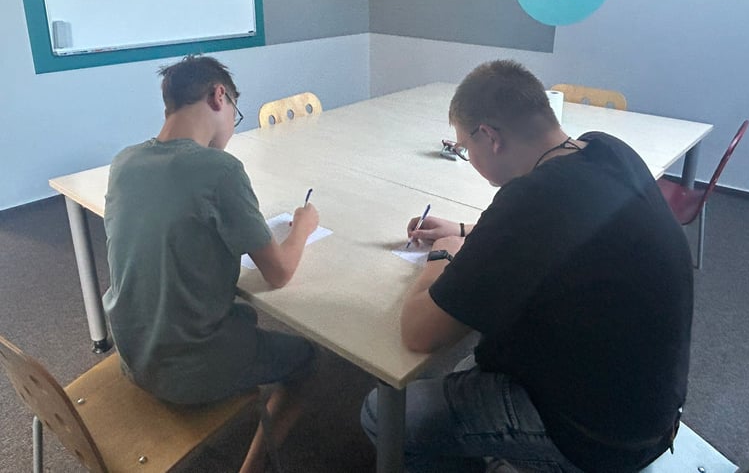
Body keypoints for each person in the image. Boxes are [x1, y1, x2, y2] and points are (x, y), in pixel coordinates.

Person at [361, 60, 693, 473]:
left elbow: (418, 331)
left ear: (490, 137)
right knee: (468, 365)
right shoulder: (606, 150)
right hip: (652, 410)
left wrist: (443, 253)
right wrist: (466, 228)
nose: (468, 157)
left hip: (597, 438)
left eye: (465, 148)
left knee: (384, 412)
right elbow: (560, 224)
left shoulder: (529, 201)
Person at [103, 55, 319, 473]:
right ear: (219, 96)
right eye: (235, 114)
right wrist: (303, 227)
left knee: (242, 318)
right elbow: (279, 272)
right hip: (189, 368)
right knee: (308, 358)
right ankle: (253, 466)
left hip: (133, 352)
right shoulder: (220, 170)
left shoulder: (124, 162)